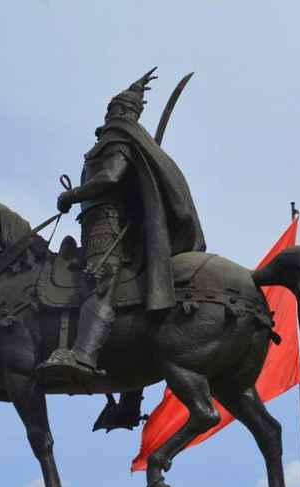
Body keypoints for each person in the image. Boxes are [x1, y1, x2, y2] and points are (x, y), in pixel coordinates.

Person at [37, 68, 206, 380]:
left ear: (117, 111)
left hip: (107, 225)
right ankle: (128, 391)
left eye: (114, 108)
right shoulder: (127, 139)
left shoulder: (116, 137)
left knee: (98, 283)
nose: (110, 113)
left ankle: (84, 355)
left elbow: (111, 176)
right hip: (101, 223)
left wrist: (72, 195)